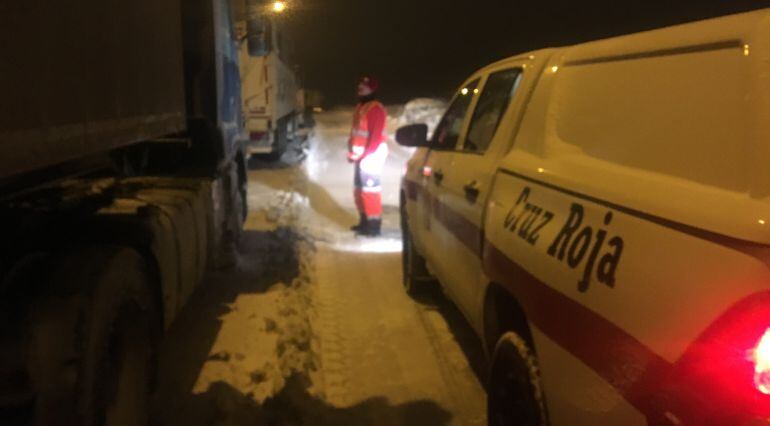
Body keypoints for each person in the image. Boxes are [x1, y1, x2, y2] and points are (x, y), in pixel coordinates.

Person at [348, 76, 388, 237]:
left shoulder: (375, 109)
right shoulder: (361, 107)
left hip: (371, 157)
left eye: (363, 86)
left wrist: (365, 155)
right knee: (359, 190)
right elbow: (357, 133)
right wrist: (352, 152)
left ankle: (373, 226)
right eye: (359, 85)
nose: (360, 87)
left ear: (372, 89)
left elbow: (375, 137)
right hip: (361, 157)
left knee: (370, 192)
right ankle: (364, 221)